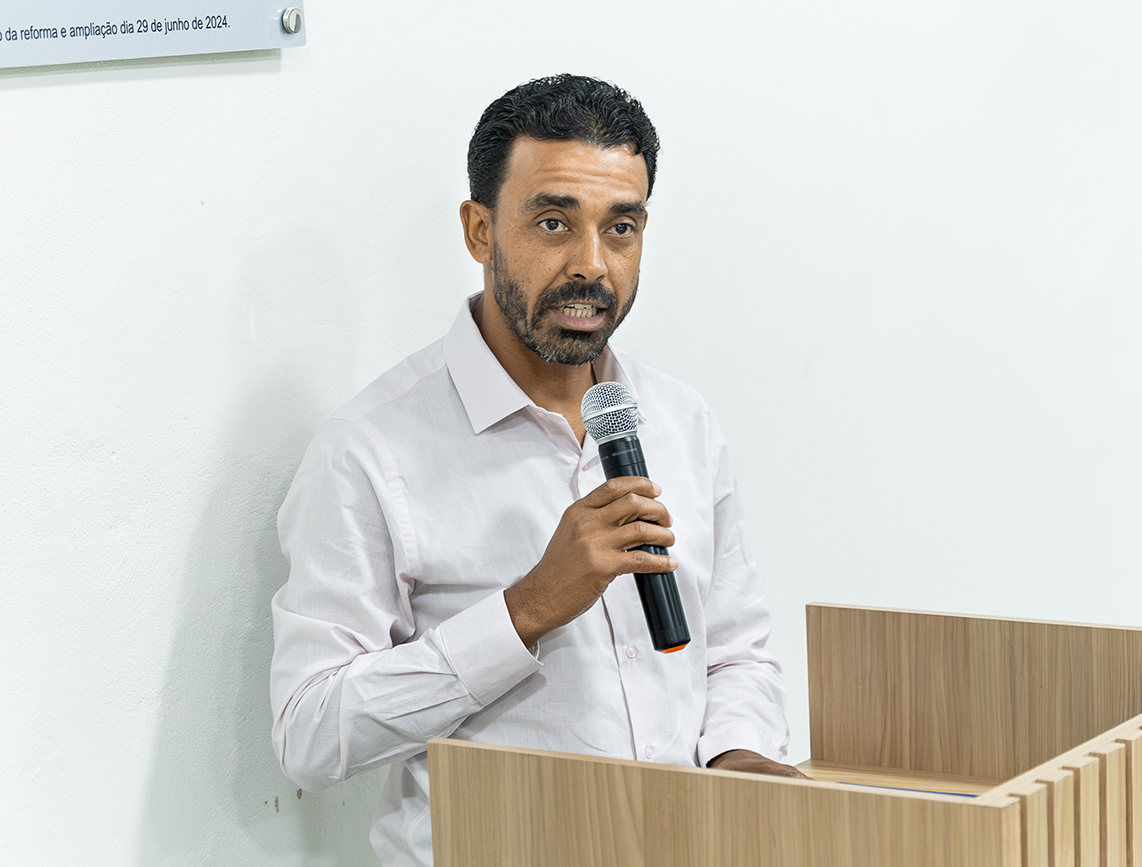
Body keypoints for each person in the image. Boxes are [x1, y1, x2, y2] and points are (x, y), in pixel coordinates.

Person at [270, 73, 801, 867]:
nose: (592, 264)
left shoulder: (681, 419)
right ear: (480, 230)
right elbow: (308, 733)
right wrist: (526, 609)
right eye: (554, 222)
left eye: (621, 227)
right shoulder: (371, 450)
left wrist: (738, 752)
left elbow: (732, 652)